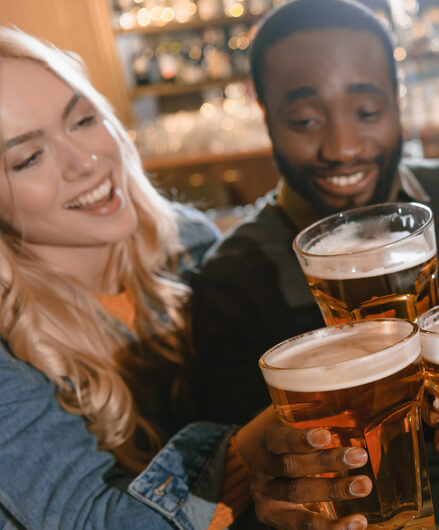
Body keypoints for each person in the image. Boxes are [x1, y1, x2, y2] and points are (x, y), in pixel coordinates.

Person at [0, 26, 376, 530]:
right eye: (28, 158)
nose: (85, 162)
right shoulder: (8, 353)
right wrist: (256, 443)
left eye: (83, 119)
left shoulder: (188, 242)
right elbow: (94, 520)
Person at [188, 1, 439, 528]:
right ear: (264, 111)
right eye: (304, 120)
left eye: (367, 112)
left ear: (398, 100)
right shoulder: (231, 276)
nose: (343, 147)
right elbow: (242, 468)